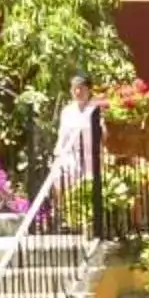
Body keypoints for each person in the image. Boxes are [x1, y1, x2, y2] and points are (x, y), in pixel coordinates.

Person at [53, 73, 103, 230]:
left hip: (90, 154)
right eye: (74, 89)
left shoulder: (95, 109)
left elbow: (103, 133)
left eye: (81, 89)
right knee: (59, 178)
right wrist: (58, 153)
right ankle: (62, 215)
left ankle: (86, 221)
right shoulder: (67, 111)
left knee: (88, 186)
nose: (77, 92)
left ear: (88, 90)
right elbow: (62, 134)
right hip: (71, 153)